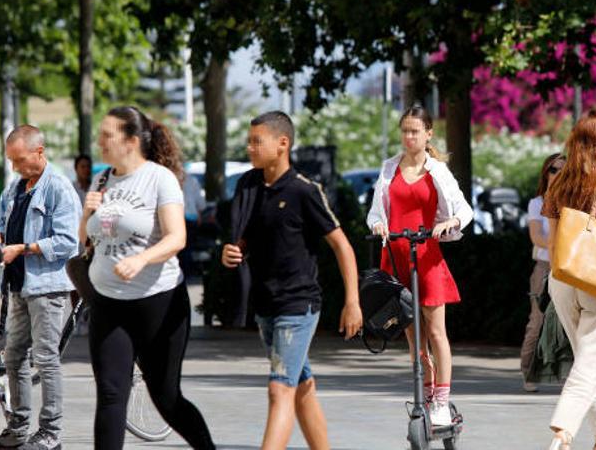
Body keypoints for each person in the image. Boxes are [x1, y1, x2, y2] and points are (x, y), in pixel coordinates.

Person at [221, 111, 362, 450]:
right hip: (265, 302)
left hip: (298, 304)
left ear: (282, 143)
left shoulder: (304, 191)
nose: (250, 147)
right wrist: (230, 253)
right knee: (301, 384)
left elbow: (342, 245)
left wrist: (352, 301)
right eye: (249, 141)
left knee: (279, 387)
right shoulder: (248, 184)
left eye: (258, 141)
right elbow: (242, 239)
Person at [80, 106, 214, 450]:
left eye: (107, 135)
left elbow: (176, 238)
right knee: (111, 394)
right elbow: (86, 239)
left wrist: (141, 259)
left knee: (167, 398)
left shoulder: (159, 178)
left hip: (157, 301)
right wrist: (87, 212)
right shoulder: (102, 178)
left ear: (132, 141)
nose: (100, 141)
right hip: (109, 303)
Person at [367, 105, 474, 426]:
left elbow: (464, 210)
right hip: (396, 256)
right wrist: (378, 225)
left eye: (415, 131)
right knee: (414, 339)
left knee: (437, 332)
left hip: (426, 256)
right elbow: (374, 213)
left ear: (428, 134)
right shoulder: (389, 169)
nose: (409, 137)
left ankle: (441, 400)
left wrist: (450, 222)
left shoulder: (437, 170)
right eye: (405, 131)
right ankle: (424, 393)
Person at [0, 126, 81, 450]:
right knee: (15, 358)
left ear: (40, 151)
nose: (15, 167)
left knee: (46, 359)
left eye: (20, 160)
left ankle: (51, 433)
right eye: (11, 161)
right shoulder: (15, 188)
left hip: (47, 286)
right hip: (18, 284)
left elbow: (69, 241)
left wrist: (23, 249)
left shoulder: (58, 188)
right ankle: (18, 429)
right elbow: (1, 227)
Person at [542, 109, 596, 450]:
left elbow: (552, 240)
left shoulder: (560, 180)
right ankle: (563, 431)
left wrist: (558, 272)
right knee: (590, 358)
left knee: (587, 355)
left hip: (563, 278)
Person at [520, 153, 563, 392]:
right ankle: (528, 372)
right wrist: (561, 243)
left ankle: (571, 375)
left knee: (571, 324)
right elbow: (536, 237)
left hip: (569, 268)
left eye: (563, 170)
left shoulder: (573, 203)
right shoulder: (537, 204)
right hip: (545, 267)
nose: (558, 174)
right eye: (553, 170)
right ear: (545, 173)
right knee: (537, 321)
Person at [180, 173, 207, 279]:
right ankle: (188, 272)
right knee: (188, 247)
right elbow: (201, 203)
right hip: (191, 218)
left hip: (176, 217)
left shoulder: (167, 177)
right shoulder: (192, 180)